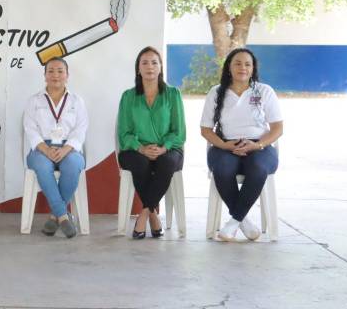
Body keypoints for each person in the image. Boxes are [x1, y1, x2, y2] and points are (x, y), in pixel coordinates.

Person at [201, 47, 283, 241]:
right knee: (222, 168)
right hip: (226, 145)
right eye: (237, 63)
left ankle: (233, 223)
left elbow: (278, 128)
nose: (242, 68)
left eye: (247, 64)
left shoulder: (264, 91)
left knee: (258, 167)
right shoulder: (216, 92)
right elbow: (205, 130)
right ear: (229, 67)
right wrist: (224, 145)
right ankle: (244, 221)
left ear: (253, 68)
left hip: (259, 146)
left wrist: (258, 145)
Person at [117, 46, 186, 239]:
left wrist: (164, 148)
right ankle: (154, 215)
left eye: (154, 62)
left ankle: (145, 213)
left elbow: (179, 132)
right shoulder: (128, 96)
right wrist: (141, 148)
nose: (150, 67)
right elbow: (124, 133)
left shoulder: (173, 94)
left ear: (161, 67)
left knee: (166, 163)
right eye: (144, 63)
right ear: (138, 69)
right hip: (136, 150)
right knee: (140, 163)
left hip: (169, 149)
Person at [23, 57, 88, 239]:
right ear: (44, 76)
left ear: (67, 75)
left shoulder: (77, 101)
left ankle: (55, 216)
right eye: (50, 71)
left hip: (69, 148)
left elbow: (80, 130)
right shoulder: (34, 101)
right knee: (43, 167)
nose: (55, 75)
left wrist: (66, 149)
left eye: (60, 71)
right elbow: (30, 129)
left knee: (73, 164)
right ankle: (63, 216)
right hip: (41, 149)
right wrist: (46, 149)